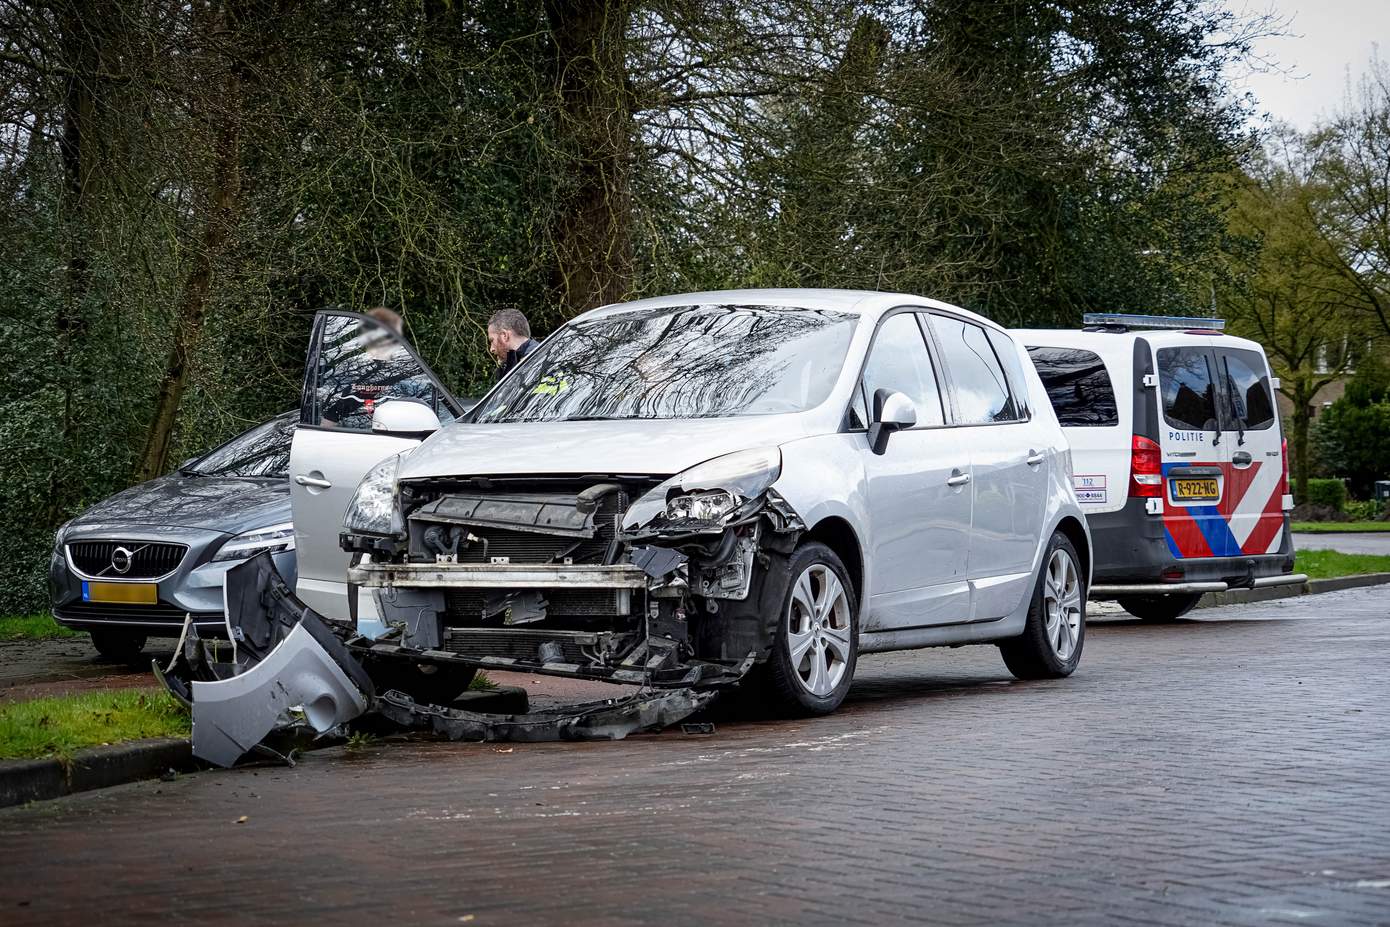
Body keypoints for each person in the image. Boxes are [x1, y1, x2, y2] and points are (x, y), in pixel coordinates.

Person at [488, 308, 539, 379]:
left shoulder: (534, 365)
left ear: (504, 336)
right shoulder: (544, 356)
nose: (491, 349)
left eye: (492, 340)